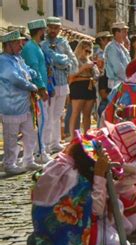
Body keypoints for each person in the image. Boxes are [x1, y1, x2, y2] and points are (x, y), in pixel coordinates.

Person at [0, 31, 44, 174]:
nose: (21, 46)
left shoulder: (17, 58)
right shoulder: (3, 60)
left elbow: (26, 71)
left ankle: (28, 160)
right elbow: (14, 78)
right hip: (11, 105)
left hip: (25, 103)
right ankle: (9, 164)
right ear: (8, 45)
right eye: (17, 43)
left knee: (30, 132)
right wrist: (32, 86)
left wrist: (33, 73)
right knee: (11, 135)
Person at [40, 16, 78, 151]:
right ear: (47, 28)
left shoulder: (63, 42)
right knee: (48, 115)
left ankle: (55, 142)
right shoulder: (43, 43)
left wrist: (64, 65)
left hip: (63, 82)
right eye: (51, 27)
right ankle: (46, 144)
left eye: (56, 28)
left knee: (58, 114)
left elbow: (73, 61)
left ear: (59, 29)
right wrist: (63, 63)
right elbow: (52, 59)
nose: (53, 30)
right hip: (50, 83)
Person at [21, 19, 51, 165]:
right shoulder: (31, 48)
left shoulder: (34, 46)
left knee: (40, 121)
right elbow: (34, 69)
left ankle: (38, 151)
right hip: (36, 90)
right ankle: (39, 153)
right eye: (44, 30)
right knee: (39, 122)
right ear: (40, 31)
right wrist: (42, 87)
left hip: (37, 89)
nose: (45, 33)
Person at [68, 40, 99, 136]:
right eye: (86, 51)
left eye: (90, 51)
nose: (88, 53)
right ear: (80, 49)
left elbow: (97, 74)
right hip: (78, 86)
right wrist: (83, 68)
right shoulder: (74, 60)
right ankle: (74, 137)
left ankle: (86, 135)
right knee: (76, 113)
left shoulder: (90, 61)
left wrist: (95, 74)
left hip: (89, 87)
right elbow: (70, 76)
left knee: (87, 114)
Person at [104, 22, 131, 90]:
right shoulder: (112, 47)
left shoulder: (121, 47)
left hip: (123, 83)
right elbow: (118, 68)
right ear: (117, 33)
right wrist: (129, 79)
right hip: (116, 84)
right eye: (124, 32)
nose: (126, 34)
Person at [94, 31, 113, 123]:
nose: (109, 41)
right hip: (100, 80)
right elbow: (101, 69)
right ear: (101, 40)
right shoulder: (100, 54)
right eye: (107, 39)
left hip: (106, 79)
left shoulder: (107, 52)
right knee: (100, 104)